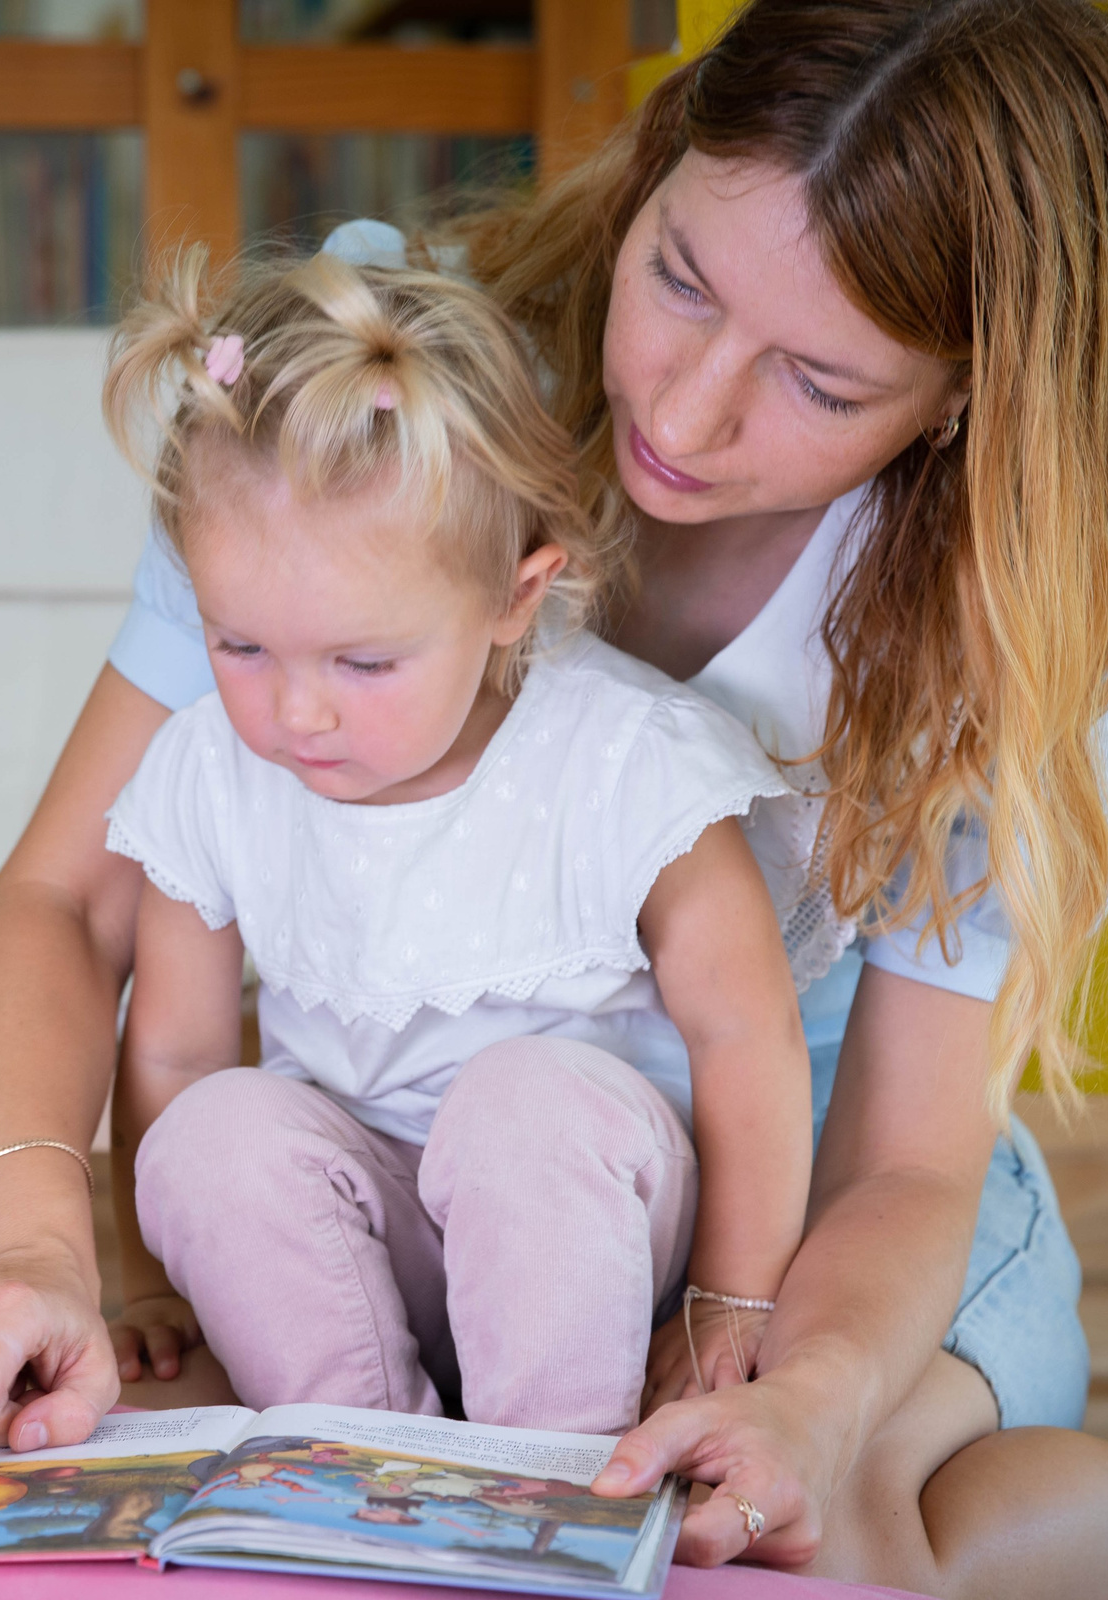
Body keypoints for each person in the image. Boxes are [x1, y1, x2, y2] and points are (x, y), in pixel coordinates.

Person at [0, 0, 1108, 1600]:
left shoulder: (1037, 597)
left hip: (806, 1204)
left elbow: (904, 1150)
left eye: (817, 377)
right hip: (436, 1184)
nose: (690, 408)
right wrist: (31, 1248)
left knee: (813, 1568)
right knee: (269, 1500)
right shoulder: (375, 403)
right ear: (658, 161)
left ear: (965, 397)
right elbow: (67, 897)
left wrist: (802, 1388)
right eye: (680, 279)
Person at [97, 249, 814, 1436]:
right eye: (240, 648)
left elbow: (747, 1033)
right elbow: (169, 1059)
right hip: (356, 1246)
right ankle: (357, 1454)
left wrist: (730, 1300)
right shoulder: (211, 772)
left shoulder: (626, 758)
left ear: (514, 600)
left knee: (517, 1103)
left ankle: (552, 1476)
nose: (298, 712)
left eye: (364, 662)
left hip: (590, 1234)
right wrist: (144, 1280)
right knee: (213, 1132)